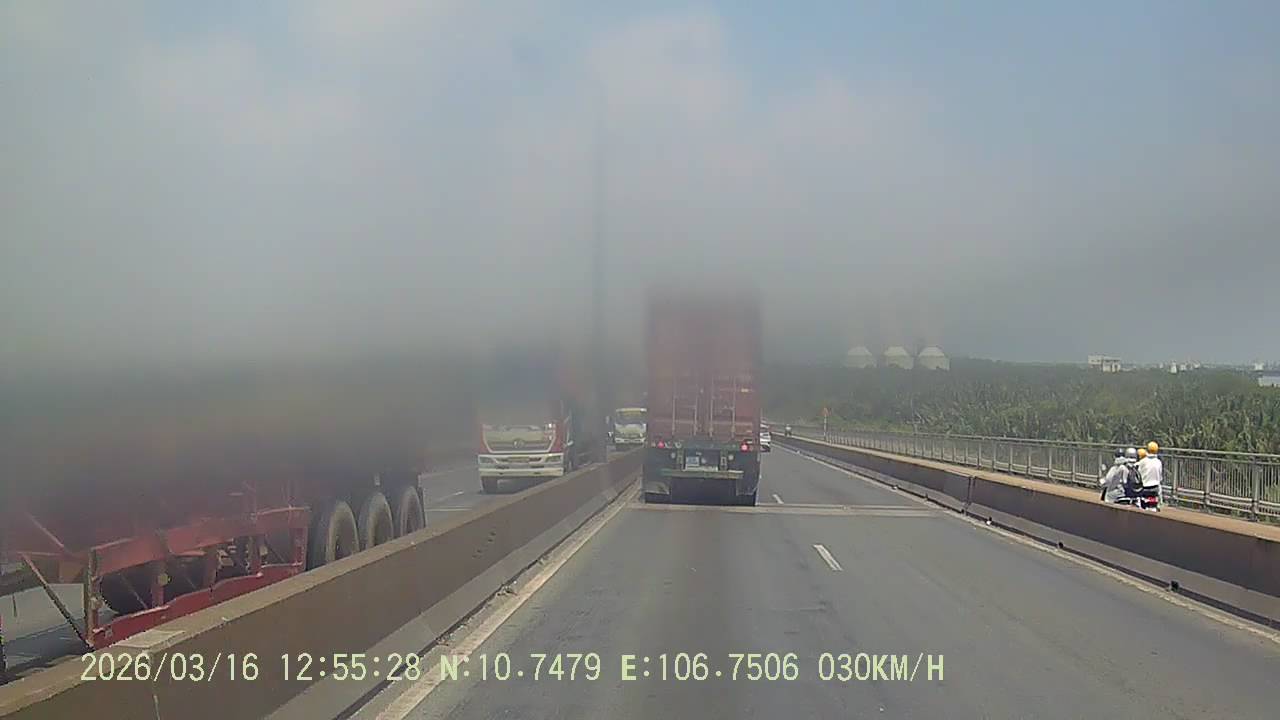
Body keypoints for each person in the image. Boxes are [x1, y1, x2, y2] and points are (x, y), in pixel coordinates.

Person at [1137, 441, 1164, 508]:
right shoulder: (1158, 462)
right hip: (1155, 488)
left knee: (1143, 507)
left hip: (1145, 488)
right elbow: (1160, 477)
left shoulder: (1142, 461)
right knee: (1155, 505)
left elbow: (1138, 474)